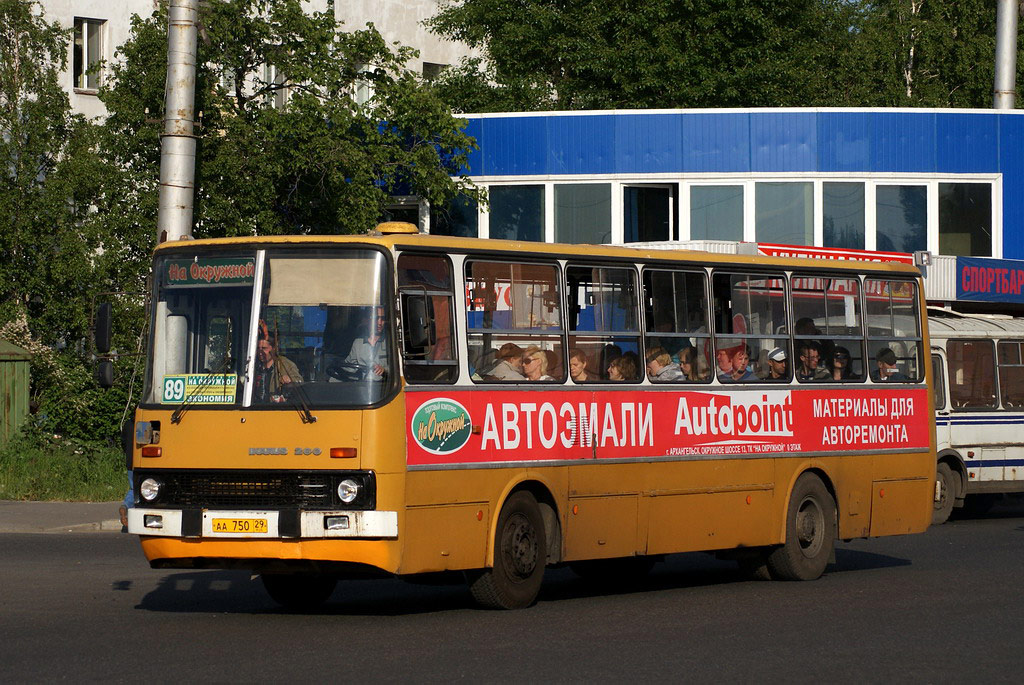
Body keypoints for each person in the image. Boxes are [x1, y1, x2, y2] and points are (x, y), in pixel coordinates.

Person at [253, 333, 302, 402]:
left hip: (276, 409)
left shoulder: (286, 365)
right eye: (258, 348)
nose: (260, 352)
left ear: (274, 348)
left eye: (264, 348)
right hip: (254, 409)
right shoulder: (252, 365)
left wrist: (290, 380)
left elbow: (299, 382)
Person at [344, 306, 388, 380]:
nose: (380, 323)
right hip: (362, 386)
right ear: (368, 320)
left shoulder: (390, 343)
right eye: (376, 318)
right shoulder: (358, 343)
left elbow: (398, 368)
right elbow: (349, 367)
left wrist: (385, 370)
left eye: (382, 319)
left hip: (384, 387)